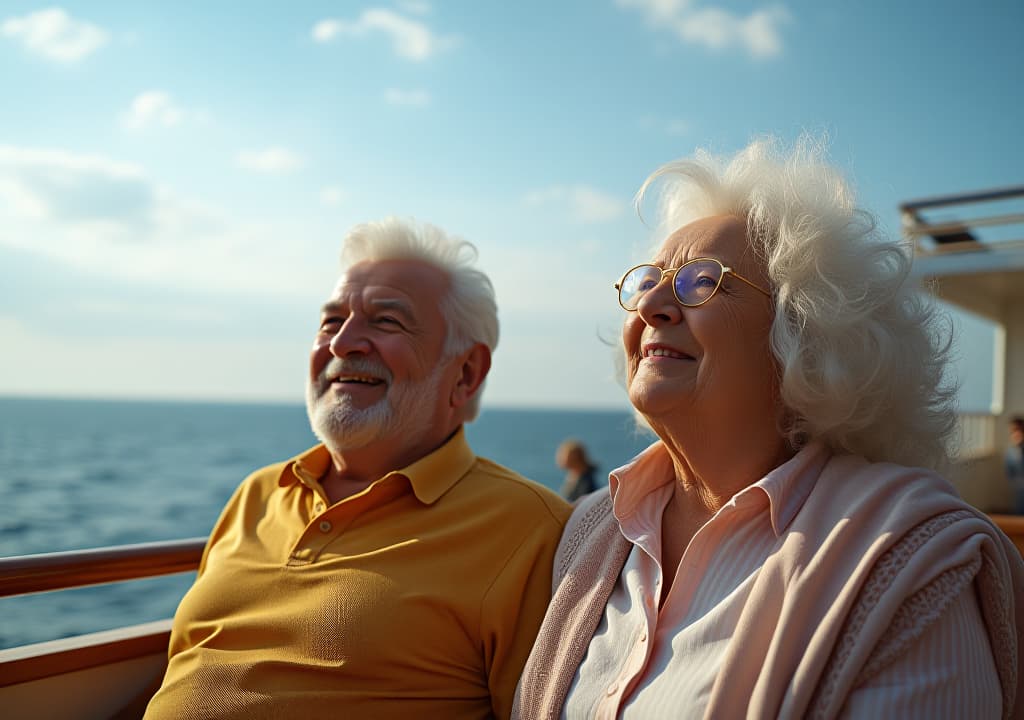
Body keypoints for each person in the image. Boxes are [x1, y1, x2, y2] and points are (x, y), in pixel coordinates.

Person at [513, 138, 1024, 718]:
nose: (653, 303)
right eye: (649, 280)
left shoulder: (910, 568)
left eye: (701, 280)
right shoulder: (592, 534)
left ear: (804, 335)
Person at [144, 218, 571, 720]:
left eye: (386, 321)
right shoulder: (258, 493)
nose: (344, 342)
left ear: (466, 373)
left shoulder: (529, 528)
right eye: (330, 322)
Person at [1007, 416, 1024, 513]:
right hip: (1019, 493)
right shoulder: (1011, 451)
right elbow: (1010, 473)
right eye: (1012, 431)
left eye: (1018, 430)